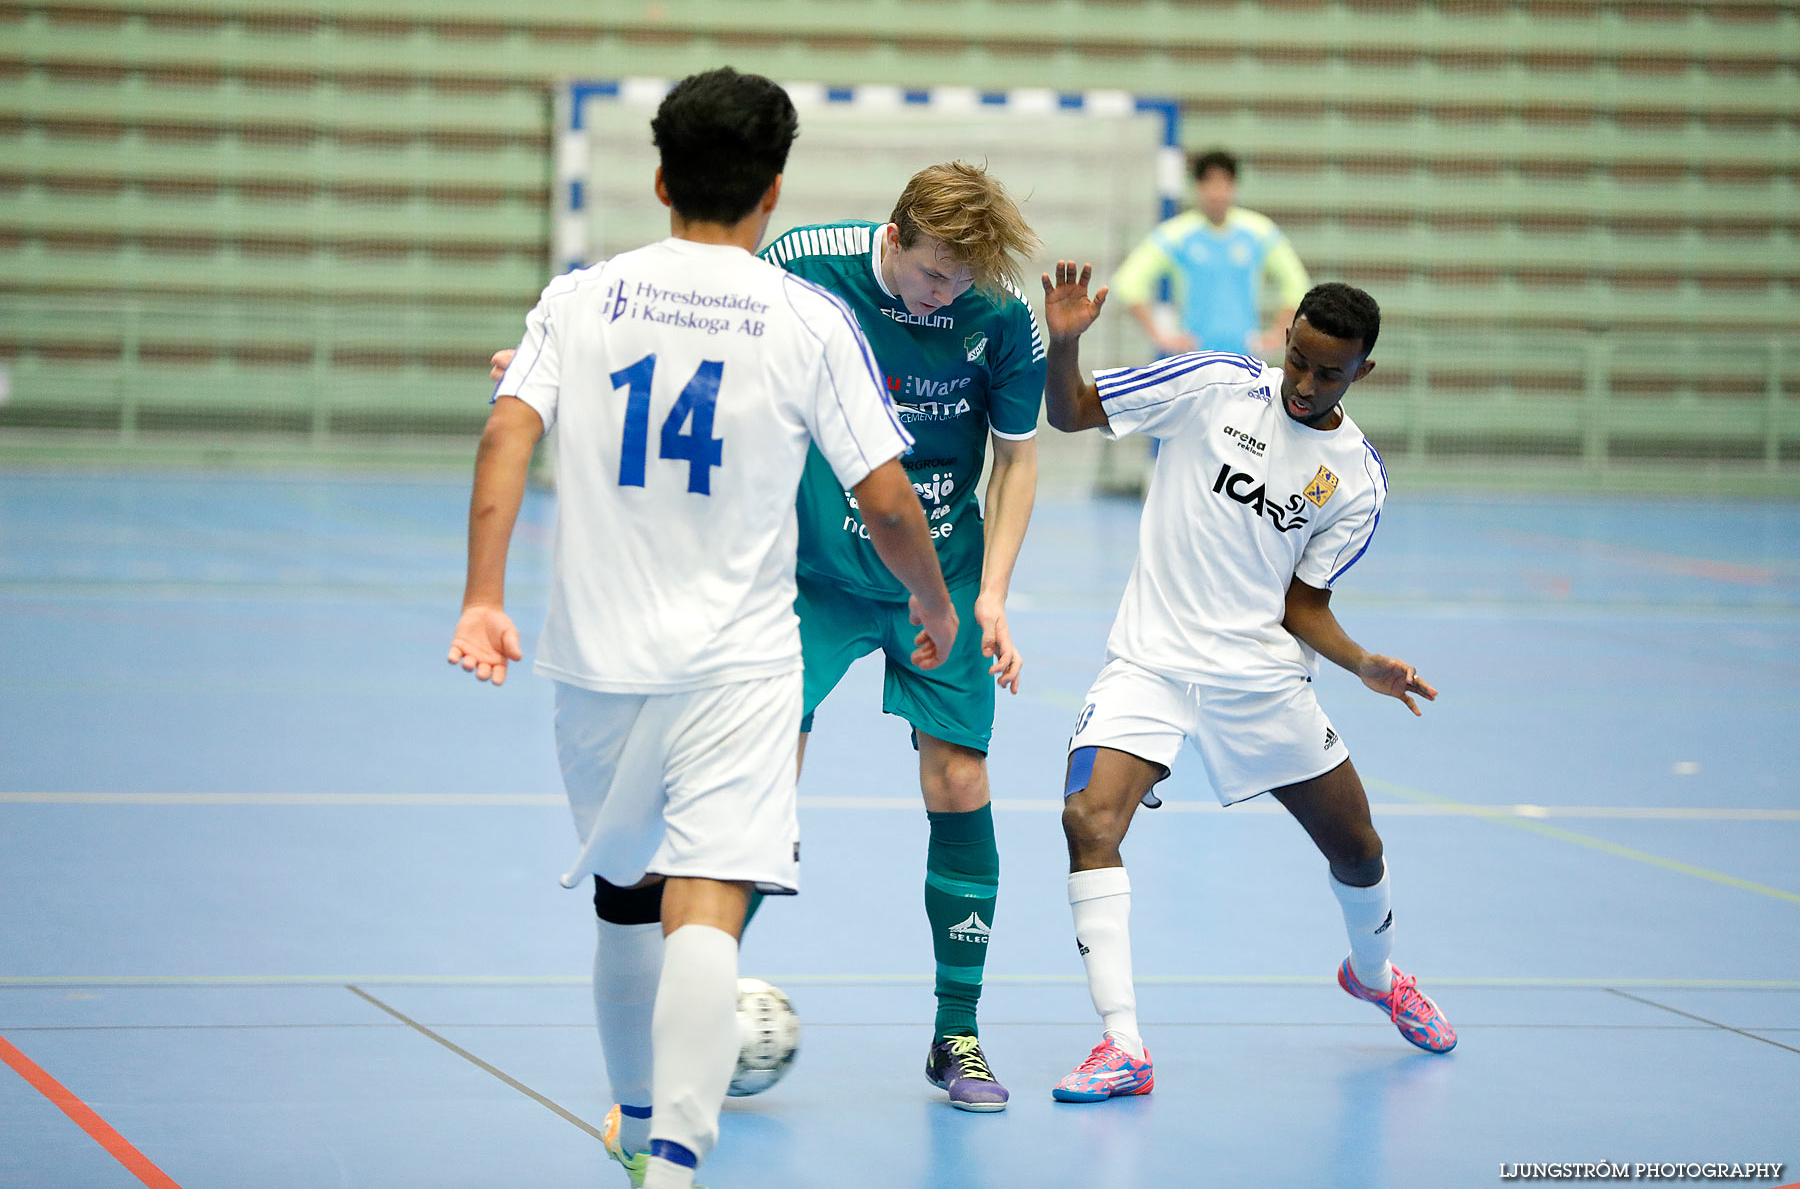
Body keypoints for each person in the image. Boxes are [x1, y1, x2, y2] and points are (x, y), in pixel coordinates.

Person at [449, 68, 956, 1189]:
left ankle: (639, 1125)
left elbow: (504, 439)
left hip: (594, 660)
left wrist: (484, 597)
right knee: (708, 899)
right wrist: (930, 597)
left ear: (662, 177)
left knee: (627, 895)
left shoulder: (578, 299)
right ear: (775, 190)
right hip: (737, 662)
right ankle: (674, 1159)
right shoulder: (806, 315)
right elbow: (883, 497)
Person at [492, 161, 1046, 1112]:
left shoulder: (1000, 313)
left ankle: (959, 1033)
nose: (944, 295)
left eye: (961, 280)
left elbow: (1018, 457)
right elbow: (697, 360)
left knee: (960, 778)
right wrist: (566, 379)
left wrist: (992, 593)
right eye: (932, 274)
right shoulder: (803, 268)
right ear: (896, 233)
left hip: (937, 573)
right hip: (808, 574)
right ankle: (693, 1012)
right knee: (749, 785)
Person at [1035, 262, 1456, 1104]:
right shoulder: (1213, 384)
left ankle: (1373, 973)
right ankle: (1122, 1044)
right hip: (1151, 663)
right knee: (1088, 819)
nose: (1303, 382)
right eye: (1297, 357)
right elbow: (1071, 412)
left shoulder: (1356, 478)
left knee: (1358, 848)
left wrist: (1362, 662)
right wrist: (1068, 341)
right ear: (1287, 337)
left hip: (1260, 684)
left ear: (1361, 374)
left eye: (1326, 371)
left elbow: (1304, 604)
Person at [1112, 150, 1309, 362]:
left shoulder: (1259, 232)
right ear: (1198, 186)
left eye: (1224, 182)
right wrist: (1159, 336)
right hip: (1193, 360)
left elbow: (1297, 284)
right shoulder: (1175, 235)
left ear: (1234, 186)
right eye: (1210, 183)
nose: (1217, 192)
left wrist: (1278, 334)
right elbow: (1127, 284)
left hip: (1245, 360)